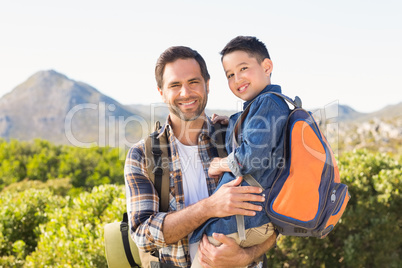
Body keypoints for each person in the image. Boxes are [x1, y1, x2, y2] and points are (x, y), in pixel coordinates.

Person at [124, 45, 278, 268]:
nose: (186, 93)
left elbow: (276, 215)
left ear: (207, 84)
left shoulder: (237, 140)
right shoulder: (142, 155)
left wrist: (246, 256)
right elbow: (143, 234)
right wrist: (210, 207)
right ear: (161, 92)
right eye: (175, 85)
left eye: (193, 82)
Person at [190, 36, 290, 267]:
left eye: (243, 68)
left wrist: (220, 164)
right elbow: (262, 137)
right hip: (250, 222)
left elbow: (250, 158)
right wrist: (233, 122)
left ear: (267, 67)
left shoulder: (268, 104)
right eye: (230, 75)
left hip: (240, 224)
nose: (237, 79)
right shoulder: (266, 104)